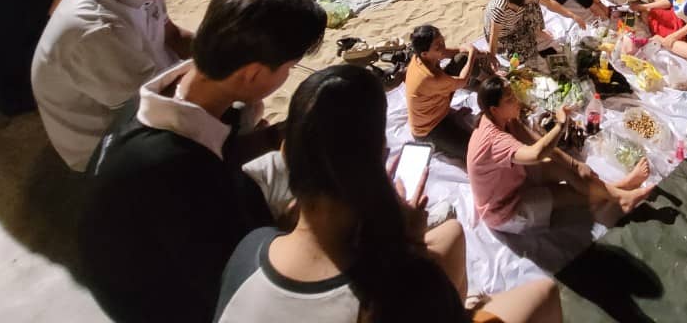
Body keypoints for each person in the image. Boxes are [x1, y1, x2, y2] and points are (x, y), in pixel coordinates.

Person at [216, 64, 563, 323]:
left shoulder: (250, 247)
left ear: (287, 152)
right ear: (380, 156)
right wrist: (409, 243)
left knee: (452, 232)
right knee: (543, 293)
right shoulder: (402, 287)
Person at [79, 0, 327, 323]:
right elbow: (231, 283)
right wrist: (299, 228)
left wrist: (275, 137)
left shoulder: (169, 90)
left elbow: (215, 149)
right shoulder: (176, 170)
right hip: (168, 299)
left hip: (173, 233)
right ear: (253, 74)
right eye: (287, 69)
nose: (288, 75)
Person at [32, 0, 216, 171]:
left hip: (149, 87)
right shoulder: (96, 30)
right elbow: (147, 111)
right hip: (109, 139)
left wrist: (220, 55)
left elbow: (172, 36)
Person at [466, 76, 652, 233]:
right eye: (509, 100)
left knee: (568, 172)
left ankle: (619, 193)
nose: (516, 100)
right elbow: (536, 153)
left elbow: (536, 141)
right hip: (504, 209)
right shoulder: (494, 140)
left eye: (513, 95)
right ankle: (621, 192)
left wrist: (574, 164)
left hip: (514, 178)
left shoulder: (503, 118)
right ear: (494, 109)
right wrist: (560, 125)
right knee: (567, 194)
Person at [405, 24, 476, 160]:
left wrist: (472, 50)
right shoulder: (429, 76)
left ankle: (486, 78)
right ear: (425, 53)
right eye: (438, 46)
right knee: (474, 151)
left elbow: (451, 51)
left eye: (442, 41)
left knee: (461, 58)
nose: (442, 47)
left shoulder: (421, 55)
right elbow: (462, 81)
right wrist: (473, 54)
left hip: (439, 102)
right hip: (430, 128)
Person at [486, 0, 587, 58]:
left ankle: (537, 31)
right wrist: (492, 59)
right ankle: (528, 34)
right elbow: (493, 37)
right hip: (504, 34)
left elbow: (549, 3)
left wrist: (572, 15)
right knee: (524, 54)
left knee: (533, 3)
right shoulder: (499, 11)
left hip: (516, 18)